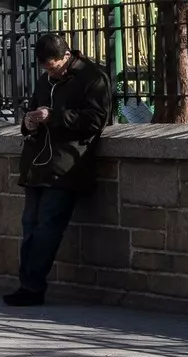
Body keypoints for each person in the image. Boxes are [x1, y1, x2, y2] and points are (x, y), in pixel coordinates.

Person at [7, 33, 114, 308]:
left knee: (47, 227)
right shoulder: (45, 80)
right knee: (30, 225)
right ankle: (26, 283)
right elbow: (32, 110)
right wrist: (28, 123)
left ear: (66, 57)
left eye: (53, 67)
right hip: (38, 164)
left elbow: (96, 121)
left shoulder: (93, 78)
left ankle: (33, 286)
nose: (49, 72)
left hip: (66, 165)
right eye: (45, 69)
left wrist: (54, 117)